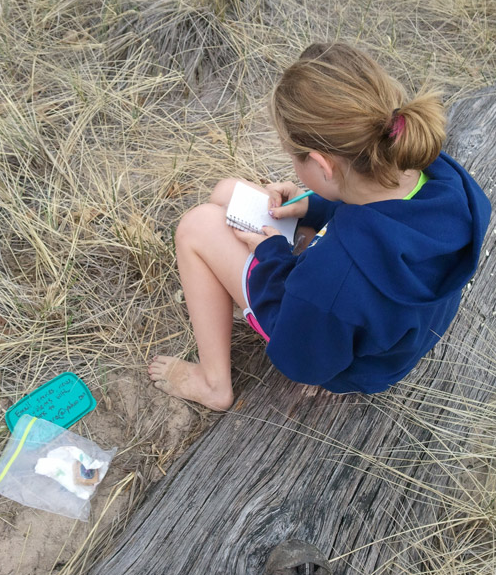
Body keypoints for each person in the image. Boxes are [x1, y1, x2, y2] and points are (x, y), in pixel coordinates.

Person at [148, 42, 491, 410]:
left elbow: (299, 360)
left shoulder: (332, 278)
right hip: (391, 326)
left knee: (196, 226)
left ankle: (213, 383)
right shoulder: (441, 178)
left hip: (342, 360)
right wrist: (312, 205)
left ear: (323, 165)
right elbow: (385, 224)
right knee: (227, 193)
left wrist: (272, 259)